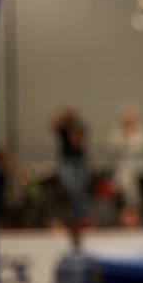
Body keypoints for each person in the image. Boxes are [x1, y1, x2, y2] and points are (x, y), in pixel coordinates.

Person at [49, 104, 89, 251]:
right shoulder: (62, 127)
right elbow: (51, 124)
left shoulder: (80, 126)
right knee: (69, 188)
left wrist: (73, 131)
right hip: (66, 161)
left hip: (77, 161)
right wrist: (59, 115)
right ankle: (72, 218)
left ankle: (78, 218)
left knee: (78, 189)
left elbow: (78, 143)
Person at [108, 103, 143, 226]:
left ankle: (134, 213)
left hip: (136, 166)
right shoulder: (117, 130)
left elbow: (141, 147)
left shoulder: (140, 130)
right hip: (121, 166)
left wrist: (129, 141)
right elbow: (113, 146)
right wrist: (123, 139)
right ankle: (123, 214)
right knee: (120, 185)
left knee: (132, 187)